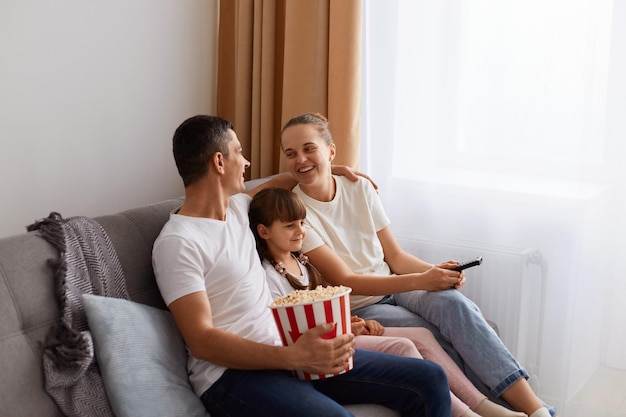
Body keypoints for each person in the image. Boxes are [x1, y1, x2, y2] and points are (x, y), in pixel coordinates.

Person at [152, 114, 452, 417]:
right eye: (239, 152)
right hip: (232, 377)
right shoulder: (179, 243)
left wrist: (334, 169)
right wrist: (291, 357)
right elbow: (202, 341)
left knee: (429, 378)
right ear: (219, 162)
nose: (246, 163)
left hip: (288, 354)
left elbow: (286, 180)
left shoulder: (241, 209)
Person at [278, 112, 558, 417]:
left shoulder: (358, 187)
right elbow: (348, 280)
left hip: (395, 286)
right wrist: (424, 280)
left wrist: (437, 273)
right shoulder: (297, 214)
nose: (300, 160)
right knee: (433, 335)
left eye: (309, 149)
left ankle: (537, 410)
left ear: (330, 151)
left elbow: (395, 258)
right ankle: (494, 410)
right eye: (290, 154)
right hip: (359, 306)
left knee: (456, 306)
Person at [249, 186, 529, 417]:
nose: (300, 231)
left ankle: (492, 406)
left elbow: (323, 306)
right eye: (290, 226)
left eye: (301, 224)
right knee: (406, 343)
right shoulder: (268, 274)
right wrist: (347, 329)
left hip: (344, 327)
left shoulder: (301, 260)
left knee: (433, 324)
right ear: (264, 232)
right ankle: (469, 413)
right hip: (321, 346)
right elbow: (293, 327)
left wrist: (352, 324)